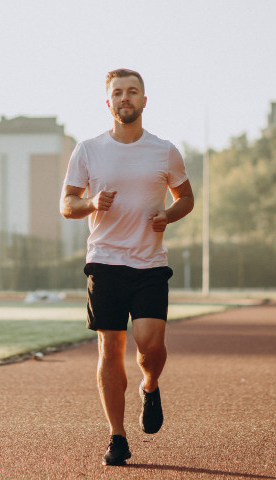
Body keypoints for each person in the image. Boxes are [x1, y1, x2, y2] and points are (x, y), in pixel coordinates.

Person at [59, 68, 194, 466]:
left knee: (151, 347)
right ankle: (117, 437)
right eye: (118, 93)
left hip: (150, 263)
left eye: (132, 92)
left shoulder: (164, 150)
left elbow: (186, 197)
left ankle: (150, 386)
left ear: (144, 101)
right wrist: (91, 203)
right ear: (109, 103)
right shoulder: (88, 150)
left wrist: (168, 216)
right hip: (105, 261)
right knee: (111, 347)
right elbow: (67, 204)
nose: (125, 98)